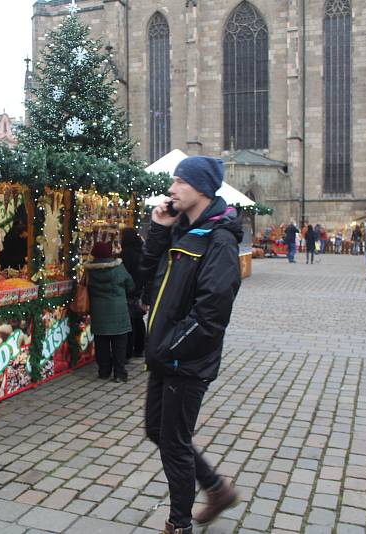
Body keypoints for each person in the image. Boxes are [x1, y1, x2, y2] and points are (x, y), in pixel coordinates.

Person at [141, 156, 242, 534]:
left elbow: (211, 316)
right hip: (166, 356)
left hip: (186, 360)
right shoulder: (184, 231)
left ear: (200, 188)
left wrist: (168, 347)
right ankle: (217, 489)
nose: (171, 189)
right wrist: (158, 229)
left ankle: (178, 523)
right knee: (158, 430)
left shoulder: (219, 240)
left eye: (179, 182)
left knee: (173, 442)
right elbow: (146, 279)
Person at [85, 241, 134, 382]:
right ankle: (119, 373)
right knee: (119, 345)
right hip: (119, 311)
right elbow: (130, 285)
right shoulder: (118, 268)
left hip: (99, 312)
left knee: (101, 344)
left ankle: (104, 371)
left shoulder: (90, 270)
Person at [120, 228, 145, 359]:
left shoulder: (126, 254)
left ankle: (128, 352)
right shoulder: (140, 251)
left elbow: (124, 273)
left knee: (130, 322)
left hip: (129, 290)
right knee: (138, 319)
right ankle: (140, 347)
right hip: (139, 289)